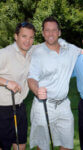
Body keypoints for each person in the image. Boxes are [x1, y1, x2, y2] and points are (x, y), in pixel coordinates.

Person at [27, 16, 81, 150]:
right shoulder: (36, 52)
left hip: (64, 105)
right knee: (43, 146)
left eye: (54, 30)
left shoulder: (70, 49)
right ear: (43, 32)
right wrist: (36, 90)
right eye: (47, 30)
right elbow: (31, 78)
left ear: (59, 32)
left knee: (67, 144)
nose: (51, 34)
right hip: (43, 105)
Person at [0, 22, 36, 150]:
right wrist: (7, 82)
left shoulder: (32, 52)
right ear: (16, 36)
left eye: (31, 37)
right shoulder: (5, 53)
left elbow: (51, 45)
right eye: (24, 36)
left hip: (20, 107)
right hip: (2, 109)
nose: (28, 41)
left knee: (21, 145)